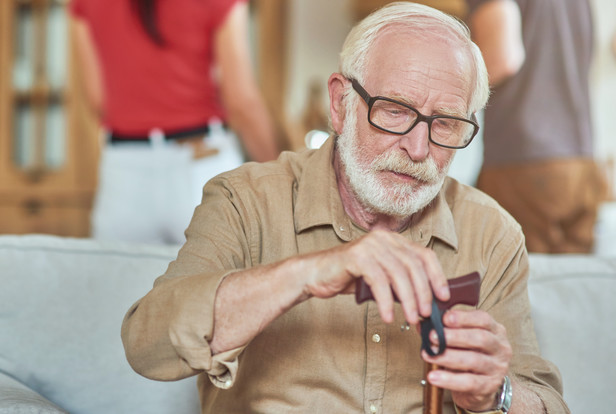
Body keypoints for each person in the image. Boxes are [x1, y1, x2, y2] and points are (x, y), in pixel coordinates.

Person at [121, 2, 567, 413]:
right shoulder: (247, 200)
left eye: (445, 124)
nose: (417, 148)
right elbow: (149, 346)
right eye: (394, 111)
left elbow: (547, 401)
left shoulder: (492, 235)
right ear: (340, 104)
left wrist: (498, 393)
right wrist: (309, 272)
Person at [70, 0, 280, 245]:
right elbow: (241, 103)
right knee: (219, 281)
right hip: (202, 167)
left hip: (124, 172)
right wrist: (279, 181)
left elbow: (97, 99)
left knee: (121, 280)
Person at [465, 0, 608, 253]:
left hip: (522, 162)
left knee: (520, 283)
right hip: (581, 161)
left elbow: (502, 57)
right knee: (573, 282)